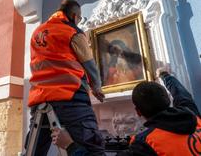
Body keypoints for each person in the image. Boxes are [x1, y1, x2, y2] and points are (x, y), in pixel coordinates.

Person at [51, 66, 201, 155]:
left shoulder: (147, 144)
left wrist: (70, 145)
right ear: (168, 101)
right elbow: (182, 95)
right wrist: (165, 74)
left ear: (138, 112)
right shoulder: (193, 116)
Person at [25, 0, 105, 155]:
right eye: (80, 18)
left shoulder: (37, 32)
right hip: (70, 98)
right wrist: (96, 87)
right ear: (75, 16)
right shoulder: (72, 31)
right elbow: (89, 65)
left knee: (34, 150)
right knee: (92, 150)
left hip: (39, 100)